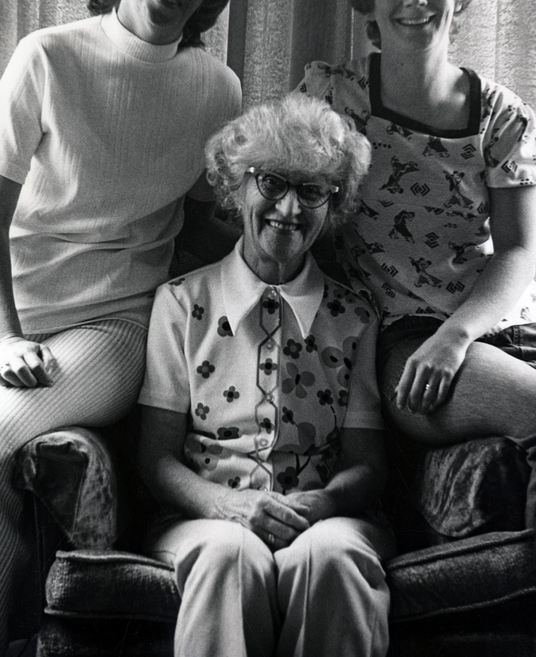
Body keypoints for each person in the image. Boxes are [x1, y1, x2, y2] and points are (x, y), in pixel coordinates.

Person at [0, 0, 253, 656]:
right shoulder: (46, 57)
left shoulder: (218, 91)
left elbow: (207, 230)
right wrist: (6, 336)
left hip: (113, 323)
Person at [298, 0, 536, 581]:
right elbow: (286, 199)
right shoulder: (335, 99)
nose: (415, 1)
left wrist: (460, 336)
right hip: (407, 339)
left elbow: (515, 253)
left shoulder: (503, 115)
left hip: (503, 327)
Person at [137, 95, 395, 657]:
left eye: (312, 191)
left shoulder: (355, 316)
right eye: (272, 183)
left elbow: (367, 463)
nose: (290, 209)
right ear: (238, 188)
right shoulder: (182, 303)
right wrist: (223, 506)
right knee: (230, 555)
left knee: (330, 557)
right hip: (206, 517)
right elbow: (154, 457)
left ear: (335, 202)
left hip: (324, 517)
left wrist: (322, 505)